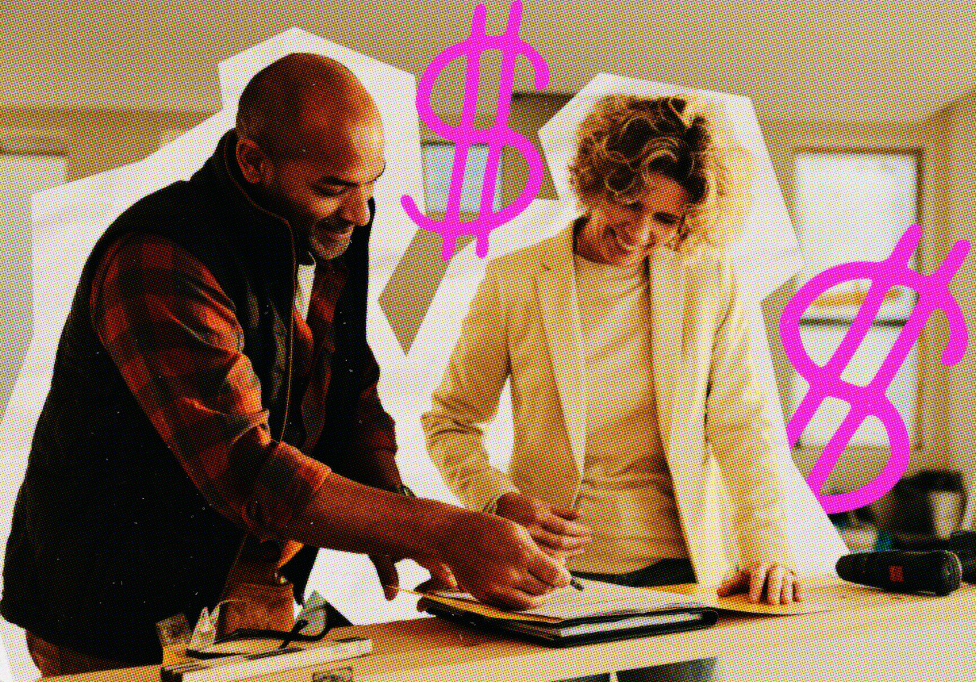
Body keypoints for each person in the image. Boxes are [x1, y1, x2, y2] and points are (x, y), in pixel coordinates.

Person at [0, 53, 569, 677]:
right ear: (252, 162)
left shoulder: (327, 227)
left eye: (370, 184)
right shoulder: (160, 256)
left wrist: (393, 505)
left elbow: (351, 389)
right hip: (107, 612)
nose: (360, 212)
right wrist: (438, 529)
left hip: (238, 604)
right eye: (334, 188)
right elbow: (247, 468)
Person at [423, 94, 802, 681]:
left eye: (666, 219)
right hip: (552, 577)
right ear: (599, 181)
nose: (640, 231)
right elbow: (450, 421)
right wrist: (499, 501)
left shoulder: (712, 280)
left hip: (679, 573)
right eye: (630, 203)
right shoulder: (515, 279)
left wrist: (767, 549)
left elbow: (745, 426)